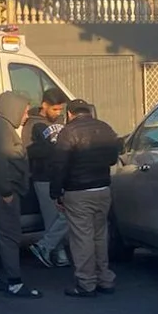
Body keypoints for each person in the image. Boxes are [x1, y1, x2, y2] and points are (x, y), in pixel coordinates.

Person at [48, 99, 121, 298]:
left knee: (82, 238)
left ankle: (86, 283)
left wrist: (55, 193)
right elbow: (113, 158)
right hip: (103, 188)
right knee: (100, 235)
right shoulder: (105, 128)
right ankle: (104, 278)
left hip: (78, 192)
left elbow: (59, 165)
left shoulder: (68, 132)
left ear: (70, 113)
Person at [0, 90, 42, 298]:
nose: (26, 115)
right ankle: (15, 283)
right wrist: (6, 191)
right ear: (14, 109)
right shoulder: (1, 128)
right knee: (10, 235)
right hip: (1, 190)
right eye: (24, 111)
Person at [21, 88, 71, 268]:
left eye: (60, 109)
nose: (58, 113)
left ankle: (48, 247)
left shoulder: (61, 121)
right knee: (52, 217)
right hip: (43, 176)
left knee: (66, 214)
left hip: (62, 175)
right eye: (55, 109)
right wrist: (52, 149)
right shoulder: (32, 124)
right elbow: (27, 150)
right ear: (44, 105)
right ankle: (56, 251)